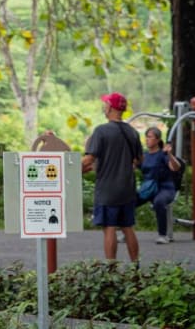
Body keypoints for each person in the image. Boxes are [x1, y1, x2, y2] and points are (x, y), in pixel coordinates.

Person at [81, 92, 142, 265]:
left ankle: (111, 269)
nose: (104, 107)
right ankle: (135, 266)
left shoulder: (101, 131)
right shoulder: (132, 132)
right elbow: (139, 160)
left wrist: (69, 170)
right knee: (128, 227)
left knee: (109, 228)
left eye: (105, 104)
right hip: (127, 188)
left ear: (110, 107)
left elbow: (89, 159)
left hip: (107, 189)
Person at [136, 126, 181, 244]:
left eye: (150, 137)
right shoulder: (144, 155)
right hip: (149, 189)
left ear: (157, 140)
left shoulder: (163, 154)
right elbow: (133, 166)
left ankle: (163, 235)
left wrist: (170, 154)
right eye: (146, 137)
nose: (147, 139)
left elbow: (176, 167)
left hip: (165, 188)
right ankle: (127, 232)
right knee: (129, 201)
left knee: (159, 202)